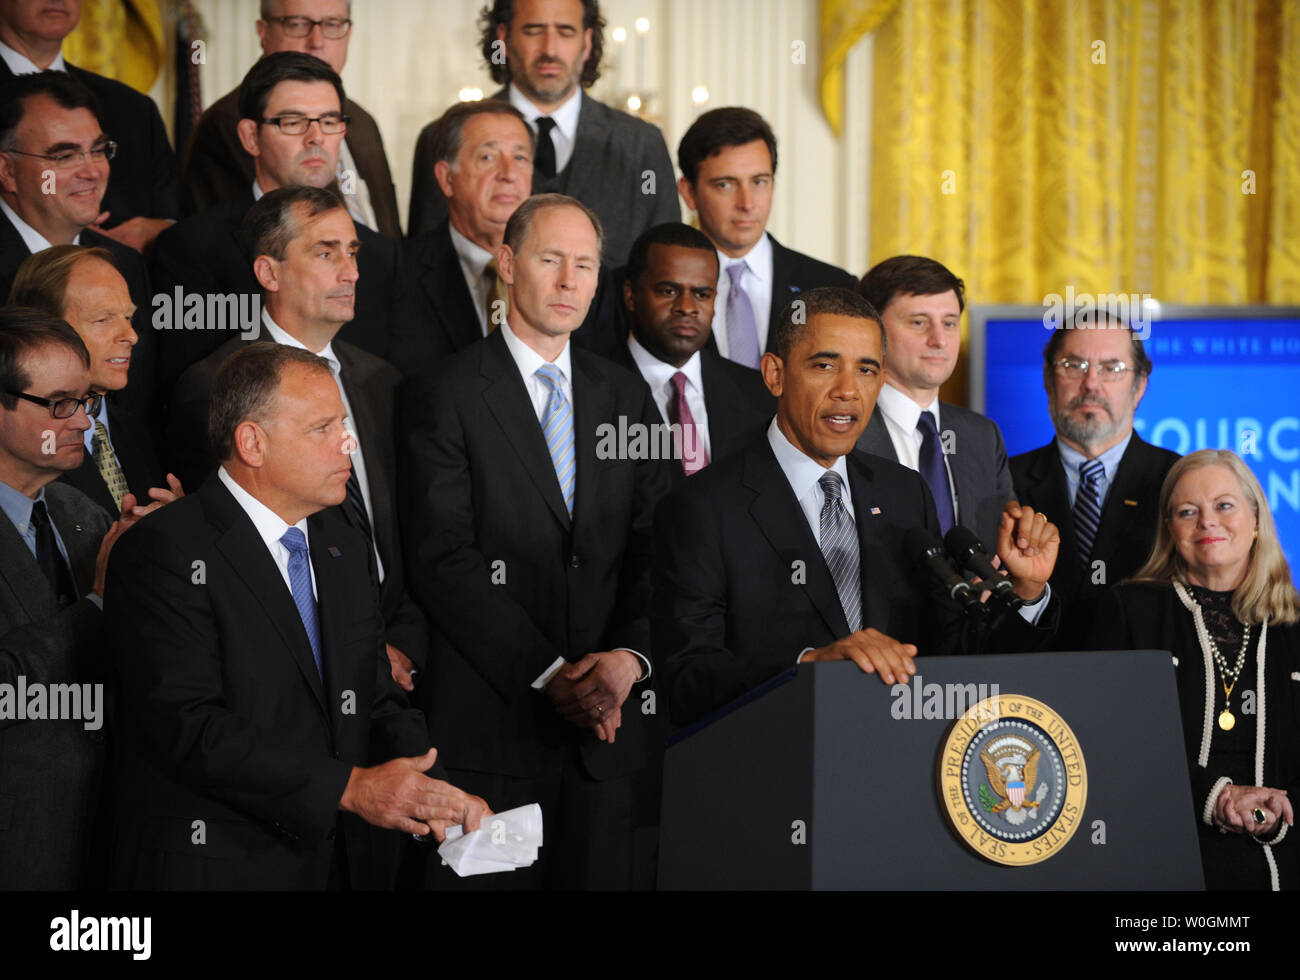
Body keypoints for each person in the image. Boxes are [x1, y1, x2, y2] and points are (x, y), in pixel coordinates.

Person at [107, 341, 489, 890]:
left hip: (343, 863)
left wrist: (440, 794)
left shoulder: (343, 543)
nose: (348, 444)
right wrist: (349, 787)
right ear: (252, 443)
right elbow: (187, 726)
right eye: (322, 429)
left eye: (344, 424)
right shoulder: (163, 550)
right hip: (219, 865)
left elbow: (376, 697)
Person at [401, 193, 672, 889]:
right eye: (551, 260)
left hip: (607, 748)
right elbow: (443, 560)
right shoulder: (445, 392)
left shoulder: (627, 396)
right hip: (490, 740)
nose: (568, 281)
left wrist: (626, 662)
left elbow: (657, 545)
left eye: (585, 265)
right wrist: (556, 676)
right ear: (509, 263)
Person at [653, 287, 1061, 729]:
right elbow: (685, 679)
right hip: (775, 770)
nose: (847, 390)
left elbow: (949, 652)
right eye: (825, 365)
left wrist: (1025, 591)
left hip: (896, 763)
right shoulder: (703, 506)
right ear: (775, 374)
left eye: (866, 370)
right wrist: (809, 666)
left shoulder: (904, 493)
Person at [165, 185, 427, 695]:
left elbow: (407, 534)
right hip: (294, 676)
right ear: (269, 272)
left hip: (400, 669)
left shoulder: (382, 380)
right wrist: (360, 652)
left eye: (352, 252)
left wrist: (403, 642)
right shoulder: (212, 385)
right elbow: (227, 557)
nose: (350, 272)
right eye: (325, 252)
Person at [1087, 450, 1299, 890]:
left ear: (1256, 519)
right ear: (1170, 531)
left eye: (1224, 505)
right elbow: (1105, 740)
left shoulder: (1295, 625)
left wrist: (1274, 814)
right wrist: (1216, 796)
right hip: (1158, 860)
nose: (1207, 522)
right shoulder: (1128, 611)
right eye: (1188, 512)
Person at [151, 52, 405, 392]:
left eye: (328, 121)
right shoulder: (190, 249)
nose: (316, 137)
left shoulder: (379, 255)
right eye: (293, 122)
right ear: (251, 137)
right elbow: (190, 394)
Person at [0, 306, 137, 888]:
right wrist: (99, 604)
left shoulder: (82, 513)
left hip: (109, 839)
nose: (84, 421)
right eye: (60, 404)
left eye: (88, 401)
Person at [407, 0, 679, 265]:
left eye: (565, 31)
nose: (549, 49)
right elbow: (424, 268)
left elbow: (666, 265)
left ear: (586, 42)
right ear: (503, 38)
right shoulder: (440, 139)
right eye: (533, 30)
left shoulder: (642, 145)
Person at [1010, 310, 1179, 641]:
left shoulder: (1177, 482)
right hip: (1033, 684)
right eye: (1074, 365)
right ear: (1047, 378)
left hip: (1147, 683)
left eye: (1111, 368)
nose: (1091, 383)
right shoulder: (1002, 481)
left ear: (1140, 385)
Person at [0, 71, 155, 413]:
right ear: (7, 171)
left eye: (98, 150)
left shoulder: (126, 264)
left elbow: (136, 411)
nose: (92, 171)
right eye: (64, 156)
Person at [181, 0, 401, 239]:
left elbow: (390, 230)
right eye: (297, 24)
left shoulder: (361, 121)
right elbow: (234, 241)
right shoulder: (228, 122)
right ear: (263, 32)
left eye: (332, 24)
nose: (317, 42)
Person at [853, 255, 1014, 548]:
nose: (939, 340)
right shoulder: (843, 430)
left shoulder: (982, 436)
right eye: (919, 322)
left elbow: (1003, 552)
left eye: (950, 323)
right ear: (870, 329)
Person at [676, 107, 855, 368]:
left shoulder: (834, 288)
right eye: (725, 184)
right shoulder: (653, 290)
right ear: (689, 193)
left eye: (759, 182)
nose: (747, 203)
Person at [9, 245, 181, 517]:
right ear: (44, 329)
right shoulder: (20, 444)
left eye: (129, 317)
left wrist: (178, 526)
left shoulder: (136, 431)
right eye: (103, 319)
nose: (131, 336)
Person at [0, 0, 180, 253]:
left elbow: (174, 214)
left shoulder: (132, 107)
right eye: (64, 156)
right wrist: (64, 231)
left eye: (98, 150)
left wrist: (160, 233)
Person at [612, 221, 774, 480]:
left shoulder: (757, 395)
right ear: (631, 296)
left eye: (702, 294)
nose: (687, 307)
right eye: (668, 291)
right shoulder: (592, 391)